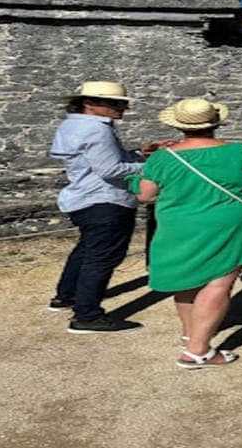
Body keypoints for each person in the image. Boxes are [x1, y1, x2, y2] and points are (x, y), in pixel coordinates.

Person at [129, 98, 242, 369]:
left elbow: (145, 196)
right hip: (227, 222)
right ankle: (197, 351)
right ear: (216, 123)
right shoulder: (241, 153)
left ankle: (190, 336)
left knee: (185, 281)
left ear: (179, 125)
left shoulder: (163, 156)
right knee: (219, 283)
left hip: (178, 224)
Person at [49, 81, 172, 334]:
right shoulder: (97, 130)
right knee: (103, 257)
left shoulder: (73, 124)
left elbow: (101, 161)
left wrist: (140, 153)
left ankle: (66, 295)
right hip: (106, 199)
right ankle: (87, 315)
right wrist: (155, 165)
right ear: (90, 104)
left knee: (87, 250)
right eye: (115, 103)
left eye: (122, 103)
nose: (122, 108)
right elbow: (110, 169)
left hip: (85, 197)